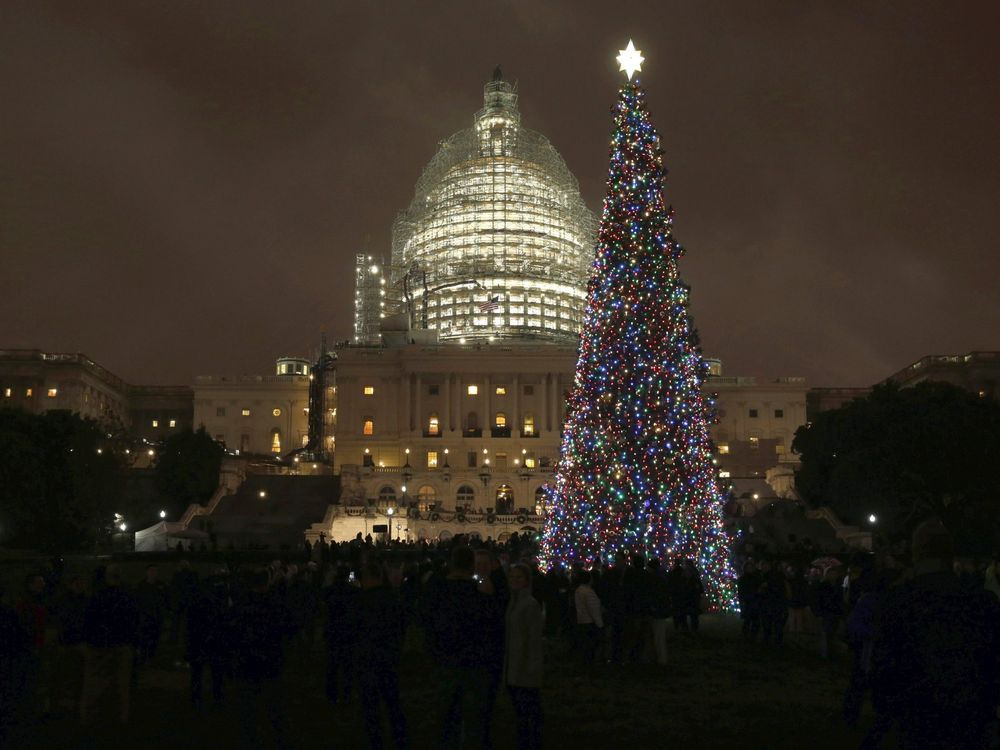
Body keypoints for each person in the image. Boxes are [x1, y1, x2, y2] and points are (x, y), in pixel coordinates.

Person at [869, 521, 1000, 750]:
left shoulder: (897, 602)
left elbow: (883, 668)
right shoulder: (983, 602)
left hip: (917, 719)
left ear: (916, 553)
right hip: (971, 719)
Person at [423, 545, 503, 749]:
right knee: (475, 721)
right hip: (475, 664)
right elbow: (493, 629)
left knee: (446, 720)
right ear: (471, 566)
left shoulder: (436, 590)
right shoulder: (481, 594)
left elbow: (425, 621)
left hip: (444, 661)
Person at [230, 569, 293, 750]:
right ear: (267, 583)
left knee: (249, 705)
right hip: (271, 661)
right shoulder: (276, 605)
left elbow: (233, 631)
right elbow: (287, 629)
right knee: (272, 703)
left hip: (248, 661)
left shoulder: (241, 605)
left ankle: (250, 736)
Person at [355, 561, 408, 749]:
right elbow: (401, 627)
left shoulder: (359, 601)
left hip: (368, 659)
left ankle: (375, 741)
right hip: (389, 657)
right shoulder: (393, 598)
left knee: (371, 706)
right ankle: (400, 737)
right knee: (393, 701)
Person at [80, 564, 139, 725]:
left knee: (94, 683)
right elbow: (133, 622)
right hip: (121, 644)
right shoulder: (127, 597)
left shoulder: (96, 596)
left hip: (99, 645)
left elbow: (88, 621)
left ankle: (91, 718)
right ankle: (121, 717)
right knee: (121, 684)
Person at [504, 564, 543, 750]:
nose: (515, 580)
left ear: (527, 580)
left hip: (525, 668)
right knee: (520, 713)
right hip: (514, 664)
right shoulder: (513, 601)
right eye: (512, 577)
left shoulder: (530, 603)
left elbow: (534, 639)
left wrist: (532, 667)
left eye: (519, 577)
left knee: (528, 712)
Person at [186, 573, 232, 710]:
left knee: (198, 673)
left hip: (199, 643)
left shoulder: (196, 604)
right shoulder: (218, 605)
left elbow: (190, 627)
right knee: (216, 673)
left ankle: (196, 699)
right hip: (213, 644)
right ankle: (217, 698)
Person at [324, 565, 360, 705]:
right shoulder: (354, 592)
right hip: (348, 632)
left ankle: (331, 694)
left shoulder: (329, 591)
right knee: (347, 665)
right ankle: (346, 694)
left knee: (332, 665)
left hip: (333, 631)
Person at [134, 564, 168, 667]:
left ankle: (151, 658)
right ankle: (143, 658)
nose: (153, 573)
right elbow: (137, 600)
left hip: (157, 616)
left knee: (154, 639)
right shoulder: (142, 585)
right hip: (145, 616)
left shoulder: (161, 585)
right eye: (151, 571)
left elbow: (166, 599)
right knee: (144, 639)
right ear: (147, 572)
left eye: (155, 571)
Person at [811, 567, 843, 659]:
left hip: (834, 612)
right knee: (825, 633)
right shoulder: (823, 586)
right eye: (832, 574)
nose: (834, 576)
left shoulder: (838, 587)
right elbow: (818, 600)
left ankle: (830, 652)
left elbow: (840, 601)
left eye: (835, 574)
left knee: (832, 633)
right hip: (826, 612)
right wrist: (819, 613)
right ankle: (824, 654)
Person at [574, 569, 604, 665]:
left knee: (585, 648)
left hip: (581, 621)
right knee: (591, 648)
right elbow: (593, 609)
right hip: (590, 623)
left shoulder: (578, 590)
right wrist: (600, 624)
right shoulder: (589, 592)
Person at [759, 561, 789, 646]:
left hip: (773, 603)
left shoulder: (773, 577)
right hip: (771, 603)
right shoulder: (765, 576)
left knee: (773, 624)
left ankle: (772, 641)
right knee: (771, 624)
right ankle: (773, 641)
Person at [646, 559, 671, 665]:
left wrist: (654, 607)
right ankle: (661, 658)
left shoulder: (655, 579)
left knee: (658, 636)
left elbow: (656, 595)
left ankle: (661, 659)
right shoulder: (662, 577)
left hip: (657, 611)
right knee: (659, 635)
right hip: (661, 610)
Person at [737, 561, 762, 639]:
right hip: (747, 601)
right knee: (747, 620)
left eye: (751, 568)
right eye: (748, 568)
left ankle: (753, 635)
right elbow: (741, 591)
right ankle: (746, 635)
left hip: (755, 601)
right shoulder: (743, 578)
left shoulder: (756, 577)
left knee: (755, 620)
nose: (750, 569)